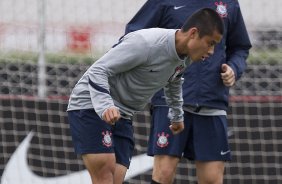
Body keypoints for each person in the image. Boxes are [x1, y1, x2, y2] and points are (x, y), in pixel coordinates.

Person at [67, 8, 224, 184]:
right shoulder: (145, 43)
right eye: (210, 43)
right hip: (90, 104)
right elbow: (98, 70)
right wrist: (105, 106)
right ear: (193, 34)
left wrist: (177, 115)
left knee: (116, 178)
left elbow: (174, 81)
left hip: (123, 114)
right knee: (105, 171)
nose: (211, 52)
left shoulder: (185, 56)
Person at [124, 0, 252, 184]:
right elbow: (134, 36)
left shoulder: (230, 3)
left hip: (212, 101)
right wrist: (155, 69)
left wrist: (234, 68)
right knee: (164, 174)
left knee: (212, 179)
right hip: (168, 99)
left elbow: (240, 47)